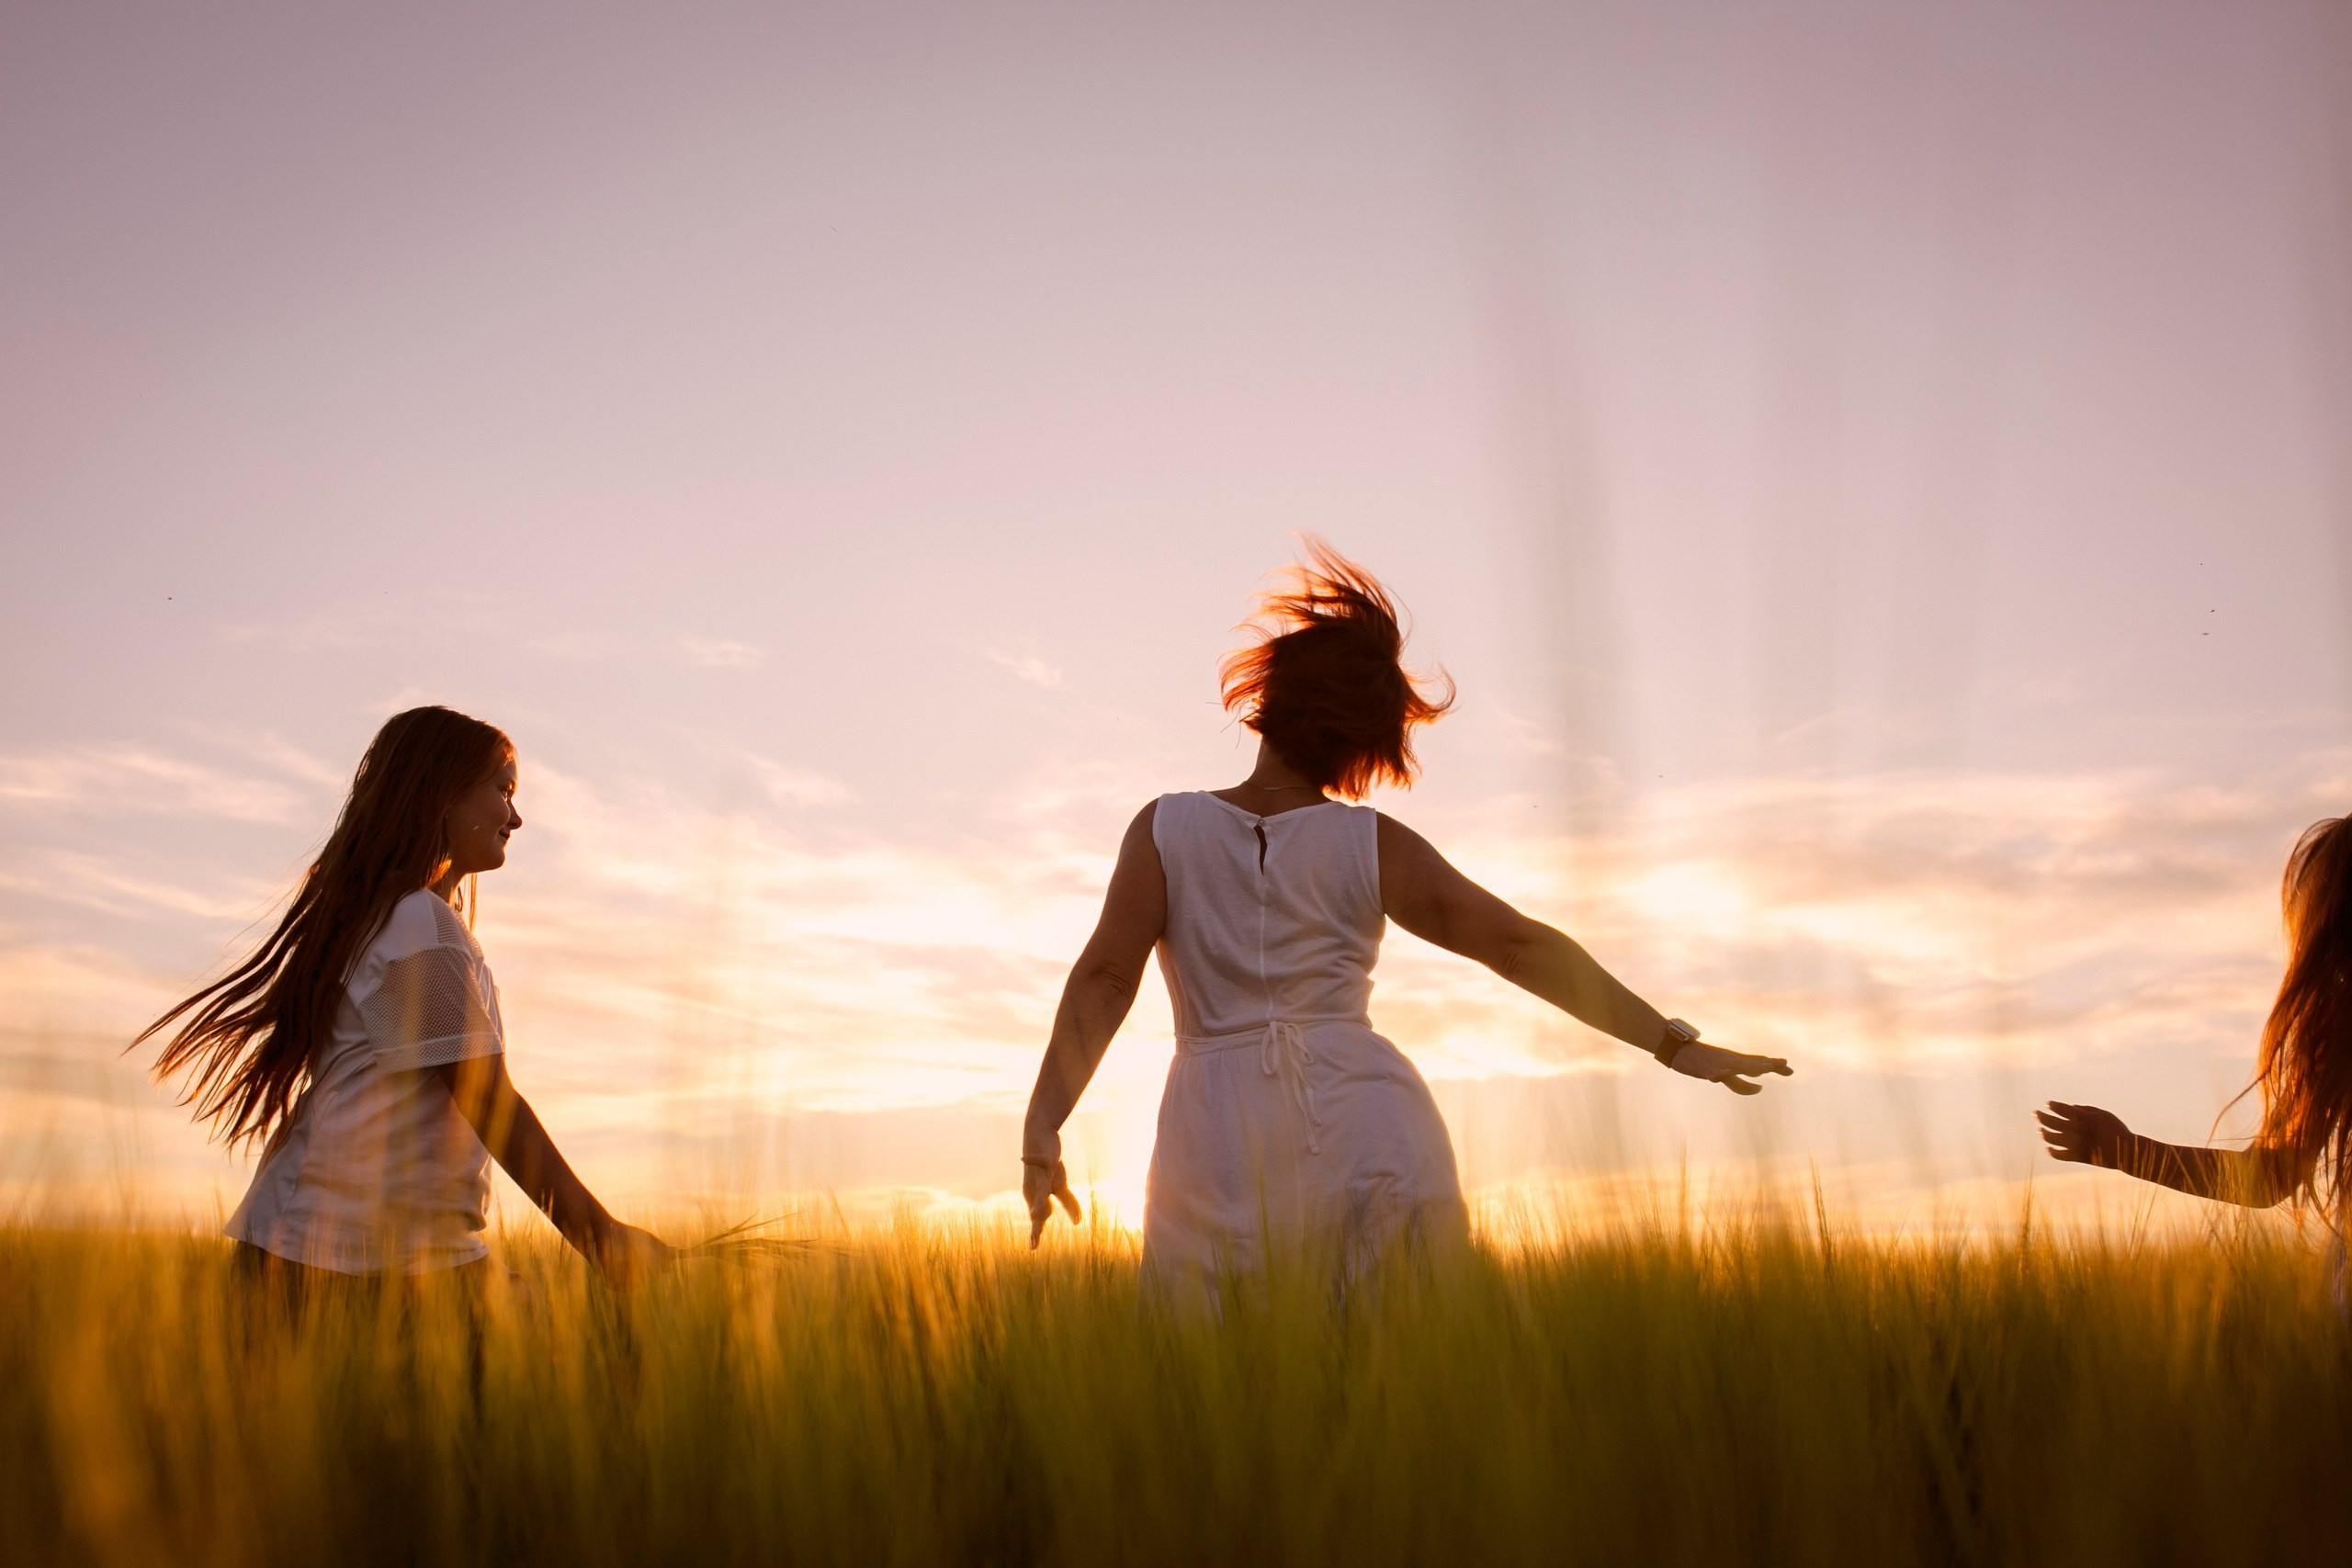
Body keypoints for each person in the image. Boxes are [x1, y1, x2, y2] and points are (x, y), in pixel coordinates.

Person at [1020, 541, 1793, 1297]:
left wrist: (1045, 1122)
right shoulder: (1370, 842)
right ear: (1366, 736)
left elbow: (1107, 977)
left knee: (1216, 1376)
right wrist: (1670, 1043)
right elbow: (1519, 947)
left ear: (1270, 697)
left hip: (1210, 1133)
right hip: (1365, 1120)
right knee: (1378, 1377)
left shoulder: (1165, 827)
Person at [138, 705, 671, 1297]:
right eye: (503, 789)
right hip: (336, 1259)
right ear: (442, 793)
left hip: (374, 1250)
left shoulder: (409, 921)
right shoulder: (411, 923)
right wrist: (599, 1237)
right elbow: (481, 1091)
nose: (515, 818)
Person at [2039, 816, 2352, 1300]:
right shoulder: (2332, 1032)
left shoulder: (2330, 1031)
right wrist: (2126, 1151)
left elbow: (2268, 1180)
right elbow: (2269, 1178)